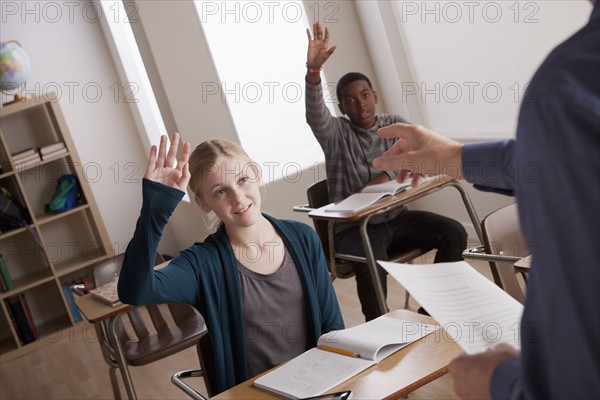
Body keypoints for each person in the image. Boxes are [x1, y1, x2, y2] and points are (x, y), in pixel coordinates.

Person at [372, 1, 600, 398]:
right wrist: (454, 158)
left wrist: (499, 383)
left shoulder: (571, 82)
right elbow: (560, 158)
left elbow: (578, 377)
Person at [117, 133, 344, 394]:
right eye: (220, 191)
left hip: (318, 387)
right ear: (203, 203)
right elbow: (135, 290)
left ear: (256, 174)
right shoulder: (202, 264)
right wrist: (154, 212)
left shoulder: (303, 238)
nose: (237, 197)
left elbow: (332, 328)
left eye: (243, 180)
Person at [305, 22, 468, 321]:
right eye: (351, 101)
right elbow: (315, 116)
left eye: (365, 95)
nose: (360, 104)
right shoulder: (335, 133)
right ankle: (378, 326)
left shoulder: (393, 123)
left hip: (396, 218)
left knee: (454, 233)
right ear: (342, 107)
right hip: (355, 228)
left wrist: (387, 176)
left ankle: (429, 314)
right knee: (371, 258)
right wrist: (313, 74)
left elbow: (419, 156)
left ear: (375, 96)